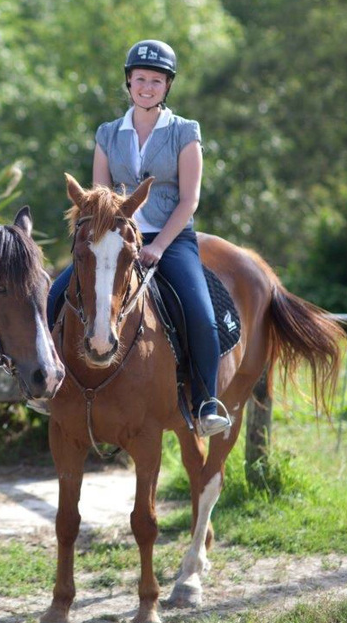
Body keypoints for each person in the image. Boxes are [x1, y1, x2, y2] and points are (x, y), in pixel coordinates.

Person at [48, 40, 232, 438]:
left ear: (167, 86)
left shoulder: (185, 132)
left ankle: (205, 403)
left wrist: (159, 247)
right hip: (113, 239)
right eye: (140, 79)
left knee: (201, 316)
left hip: (170, 238)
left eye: (156, 80)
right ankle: (45, 384)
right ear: (128, 83)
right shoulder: (108, 133)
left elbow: (190, 198)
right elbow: (98, 195)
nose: (147, 86)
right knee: (52, 297)